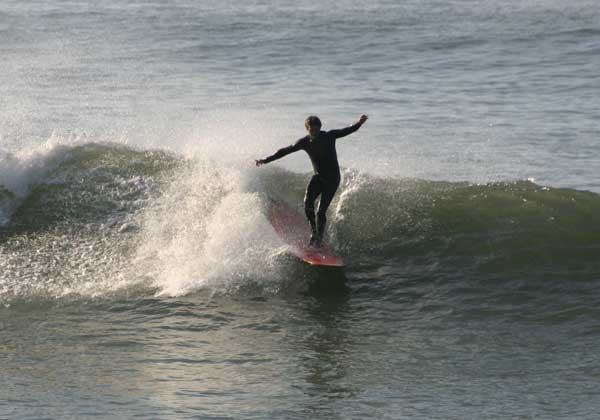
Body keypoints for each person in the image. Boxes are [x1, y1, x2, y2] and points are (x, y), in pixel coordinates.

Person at [256, 114, 368, 247]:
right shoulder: (304, 142)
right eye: (311, 130)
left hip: (332, 179)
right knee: (307, 203)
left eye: (316, 129)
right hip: (318, 177)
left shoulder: (329, 136)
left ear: (320, 128)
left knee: (320, 211)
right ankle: (314, 232)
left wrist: (359, 123)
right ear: (307, 129)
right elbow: (284, 151)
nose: (314, 132)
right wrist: (266, 160)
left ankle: (319, 240)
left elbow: (346, 131)